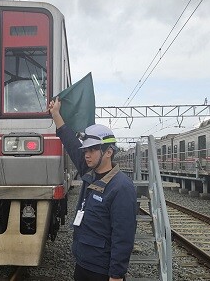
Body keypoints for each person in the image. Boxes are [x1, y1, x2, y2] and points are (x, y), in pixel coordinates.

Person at [48, 97, 137, 281]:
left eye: (92, 150)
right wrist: (56, 114)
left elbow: (123, 235)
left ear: (108, 152)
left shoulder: (121, 187)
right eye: (85, 150)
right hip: (82, 264)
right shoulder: (89, 172)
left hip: (102, 271)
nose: (86, 154)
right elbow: (71, 143)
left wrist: (117, 275)